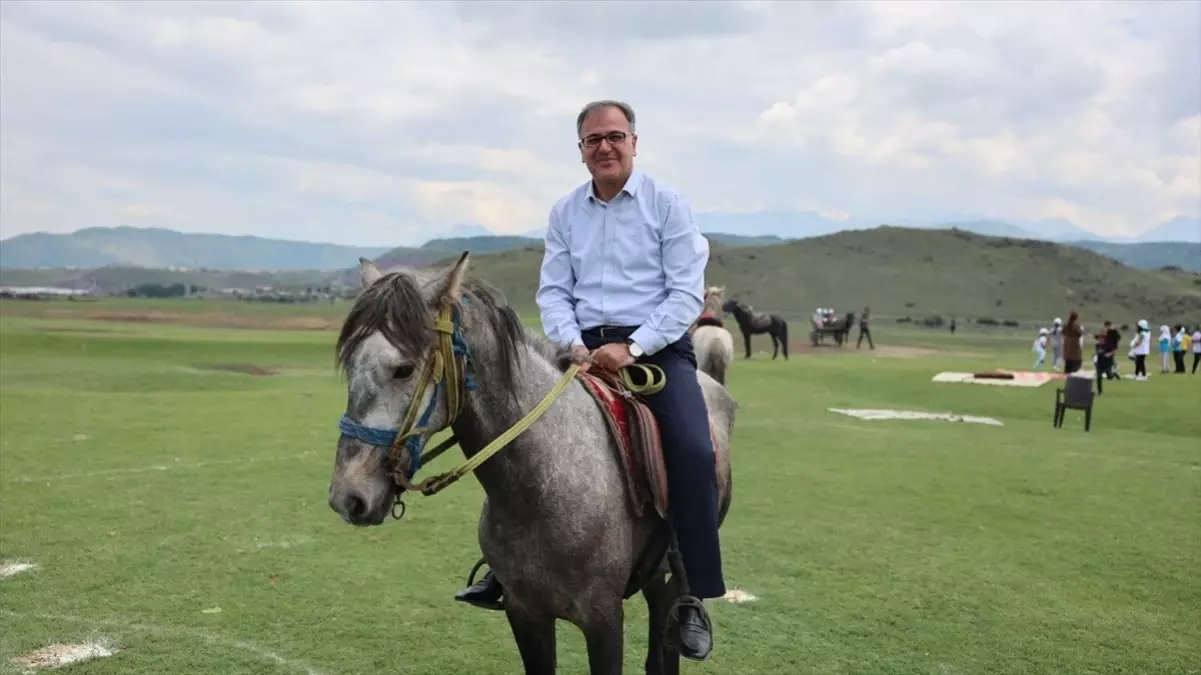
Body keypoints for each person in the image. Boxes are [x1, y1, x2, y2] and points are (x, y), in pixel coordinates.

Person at [455, 100, 723, 661]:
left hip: (656, 348)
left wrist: (632, 347)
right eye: (592, 140)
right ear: (580, 150)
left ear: (634, 142)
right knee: (515, 429)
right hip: (578, 347)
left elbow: (684, 294)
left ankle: (691, 589)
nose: (604, 147)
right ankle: (509, 569)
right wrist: (572, 344)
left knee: (695, 451)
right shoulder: (565, 212)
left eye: (614, 136)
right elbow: (553, 289)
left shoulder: (667, 205)